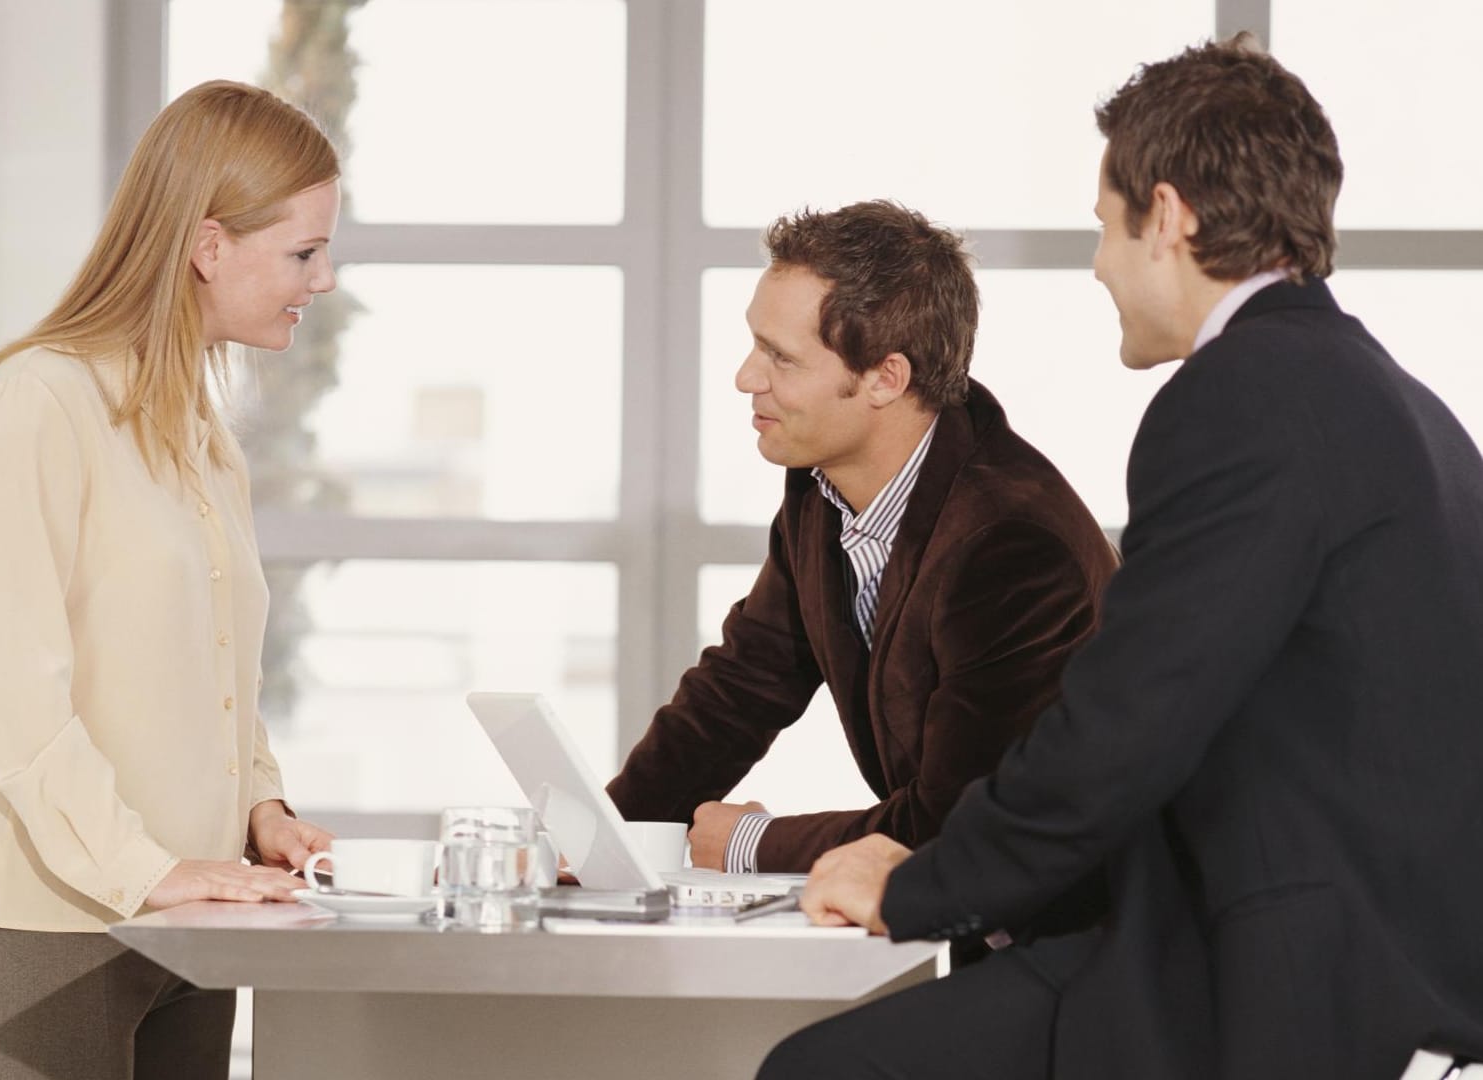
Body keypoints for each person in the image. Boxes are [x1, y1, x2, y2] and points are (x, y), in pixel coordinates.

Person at [768, 36, 1483, 1080]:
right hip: (1384, 972)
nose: (1098, 263)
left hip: (1274, 993)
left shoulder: (1242, 398)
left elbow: (1127, 719)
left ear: (1169, 216)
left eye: (1104, 226)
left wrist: (919, 881)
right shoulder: (1407, 409)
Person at [0, 81, 341, 1079]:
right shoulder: (39, 404)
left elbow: (218, 674)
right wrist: (148, 871)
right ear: (207, 246)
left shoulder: (203, 436)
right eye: (303, 252)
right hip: (41, 937)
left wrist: (261, 810)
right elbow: (8, 694)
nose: (320, 281)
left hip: (188, 926)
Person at [607, 200, 1117, 878]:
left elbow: (957, 824)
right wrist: (596, 844)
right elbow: (740, 690)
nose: (745, 377)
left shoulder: (1009, 545)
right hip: (967, 912)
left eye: (779, 357)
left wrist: (748, 845)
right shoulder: (822, 490)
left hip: (1084, 934)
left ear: (886, 378)